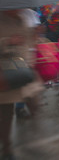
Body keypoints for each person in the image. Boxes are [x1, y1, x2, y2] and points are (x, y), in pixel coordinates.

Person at [0, 10, 43, 159]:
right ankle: (7, 148)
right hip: (6, 73)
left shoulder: (23, 18)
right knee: (6, 113)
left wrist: (34, 34)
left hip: (24, 69)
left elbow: (29, 42)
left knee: (34, 104)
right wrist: (7, 42)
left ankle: (35, 142)